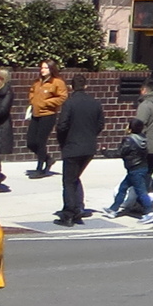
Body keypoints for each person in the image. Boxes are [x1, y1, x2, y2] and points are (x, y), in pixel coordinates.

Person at [52, 79, 105, 226]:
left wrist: (63, 142)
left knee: (68, 181)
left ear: (71, 87)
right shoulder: (95, 103)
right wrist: (90, 136)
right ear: (86, 86)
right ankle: (78, 208)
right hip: (89, 148)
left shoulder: (69, 103)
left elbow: (62, 126)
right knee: (75, 178)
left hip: (72, 147)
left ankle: (69, 214)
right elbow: (101, 124)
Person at [105, 119, 153, 223]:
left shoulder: (129, 140)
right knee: (123, 188)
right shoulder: (143, 138)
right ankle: (113, 209)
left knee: (141, 192)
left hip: (135, 170)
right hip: (141, 167)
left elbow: (120, 152)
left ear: (130, 128)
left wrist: (105, 152)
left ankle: (150, 212)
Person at [25, 60, 67, 178]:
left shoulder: (57, 82)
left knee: (40, 141)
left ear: (51, 69)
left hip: (48, 114)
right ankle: (47, 159)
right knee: (30, 142)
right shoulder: (38, 82)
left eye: (45, 68)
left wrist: (46, 103)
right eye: (42, 68)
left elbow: (62, 97)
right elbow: (32, 92)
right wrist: (33, 100)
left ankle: (40, 168)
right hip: (35, 113)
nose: (42, 70)